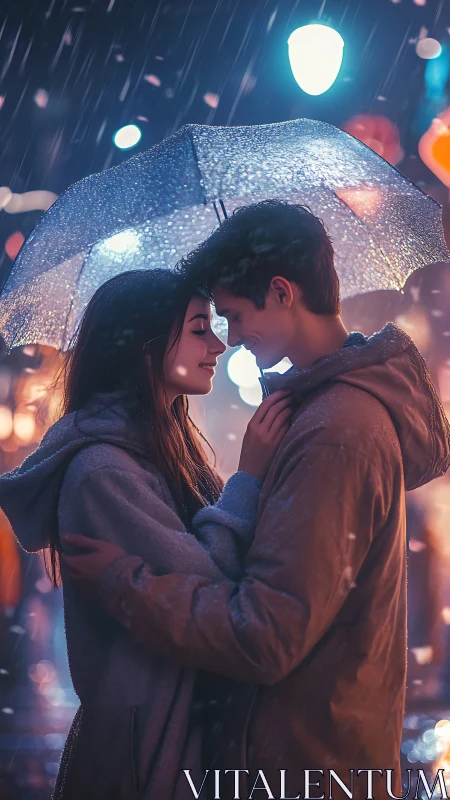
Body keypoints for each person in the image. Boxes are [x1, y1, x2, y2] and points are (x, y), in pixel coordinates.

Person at [62, 201, 450, 800]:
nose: (232, 341)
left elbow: (263, 633)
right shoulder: (318, 417)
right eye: (213, 324)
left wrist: (124, 582)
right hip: (303, 756)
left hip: (305, 764)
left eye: (235, 317)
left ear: (281, 291)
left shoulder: (335, 431)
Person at [0, 267, 293, 800]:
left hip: (173, 737)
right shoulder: (104, 473)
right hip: (144, 755)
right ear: (146, 345)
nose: (220, 345)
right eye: (200, 328)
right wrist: (249, 475)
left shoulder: (164, 452)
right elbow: (214, 588)